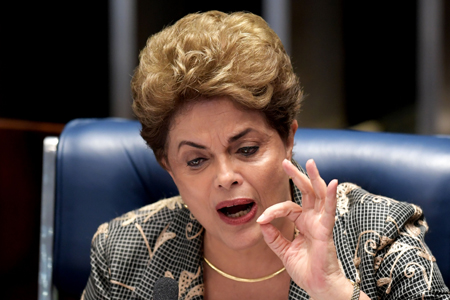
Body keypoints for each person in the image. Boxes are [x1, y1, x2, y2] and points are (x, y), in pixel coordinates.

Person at [82, 10, 450, 300]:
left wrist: (334, 291)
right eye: (196, 160)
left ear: (288, 139)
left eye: (246, 149)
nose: (225, 176)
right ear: (168, 167)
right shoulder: (124, 253)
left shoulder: (379, 236)